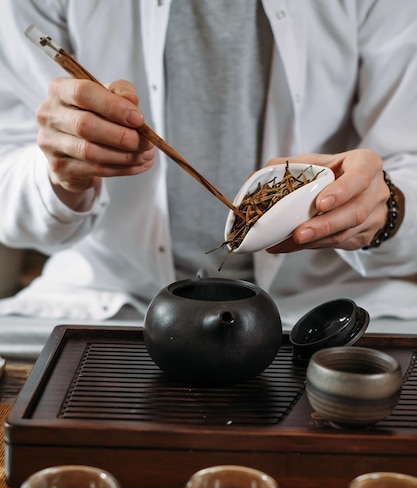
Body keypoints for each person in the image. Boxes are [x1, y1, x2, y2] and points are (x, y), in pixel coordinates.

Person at [0, 0, 417, 359]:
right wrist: (60, 172)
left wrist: (385, 208)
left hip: (326, 312)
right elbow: (9, 195)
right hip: (109, 306)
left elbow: (407, 164)